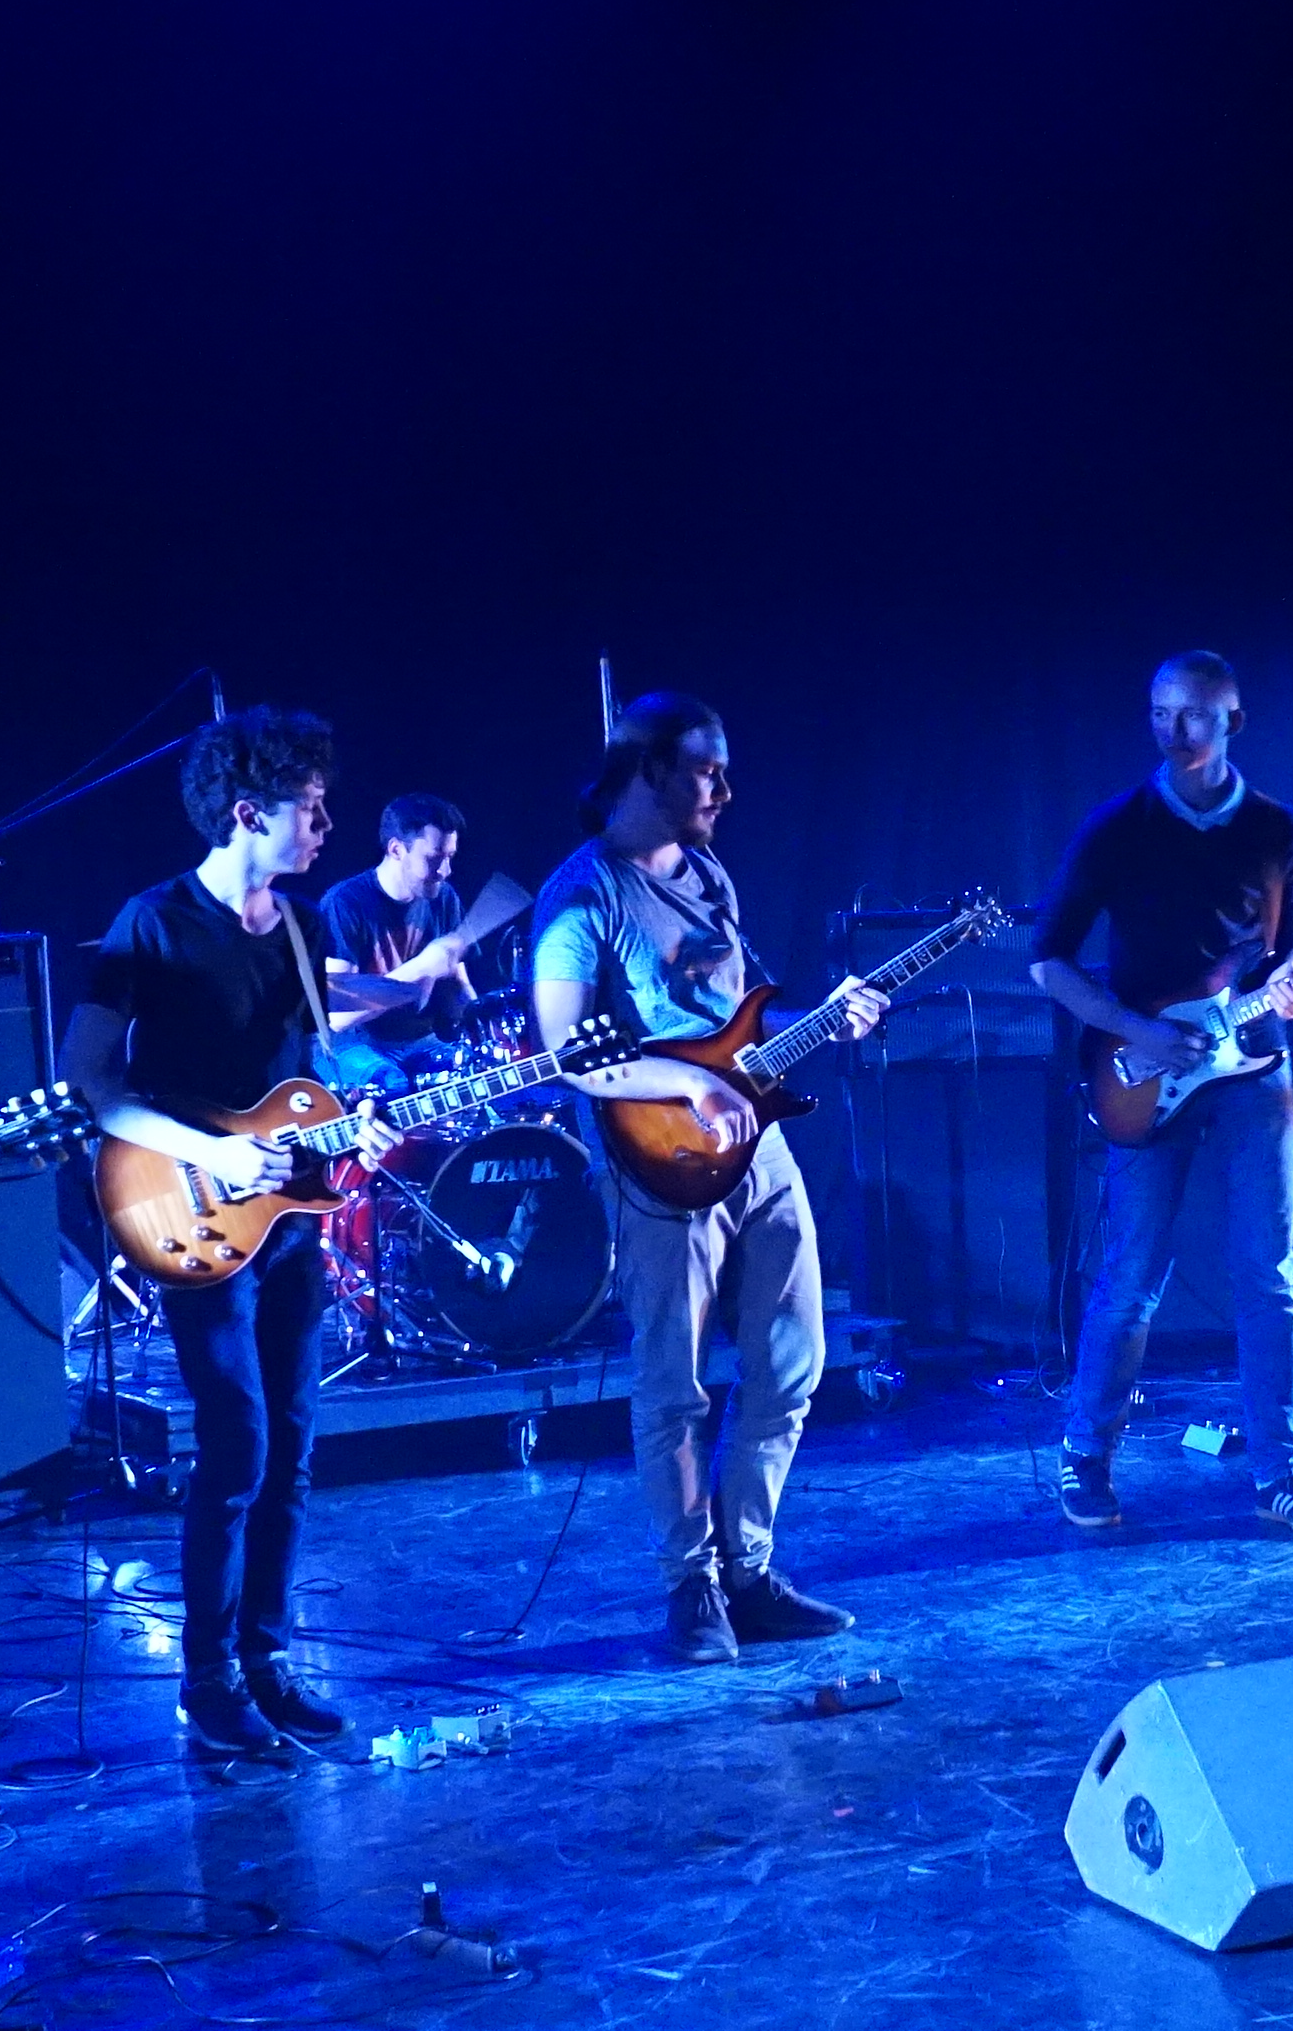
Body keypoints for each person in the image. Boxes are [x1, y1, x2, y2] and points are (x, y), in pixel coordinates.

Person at [532, 691, 883, 1661]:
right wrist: (686, 1081)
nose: (724, 789)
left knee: (792, 1359)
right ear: (647, 771)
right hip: (659, 1165)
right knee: (673, 1381)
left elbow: (738, 1028)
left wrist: (827, 1016)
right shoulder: (584, 895)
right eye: (705, 770)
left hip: (755, 1144)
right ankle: (690, 1588)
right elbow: (566, 1052)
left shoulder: (708, 873)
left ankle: (749, 1572)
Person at [69, 707, 353, 1760]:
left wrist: (354, 1122)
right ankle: (207, 1678)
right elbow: (91, 1080)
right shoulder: (150, 921)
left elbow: (307, 1077)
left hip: (289, 1223)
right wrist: (213, 1153)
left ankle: (267, 1661)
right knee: (236, 1443)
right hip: (186, 1210)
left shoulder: (304, 925)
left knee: (293, 1446)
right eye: (308, 806)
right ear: (246, 812)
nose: (325, 824)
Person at [1028, 649, 1293, 1542]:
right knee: (1130, 1277)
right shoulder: (1117, 827)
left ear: (1233, 721)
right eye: (1161, 713)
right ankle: (1086, 1456)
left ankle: (1283, 1474)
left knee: (1270, 1275)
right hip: (1143, 1069)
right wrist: (1140, 1031)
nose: (1175, 730)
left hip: (1255, 1066)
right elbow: (1049, 961)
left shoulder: (1278, 828)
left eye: (1195, 714)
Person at [319, 795, 491, 1063]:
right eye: (434, 858)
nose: (445, 870)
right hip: (356, 1046)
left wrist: (482, 1021)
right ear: (397, 849)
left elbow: (456, 987)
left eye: (450, 857)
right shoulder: (344, 902)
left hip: (421, 1041)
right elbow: (339, 1014)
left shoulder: (444, 898)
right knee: (392, 1082)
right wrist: (422, 967)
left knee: (476, 1069)